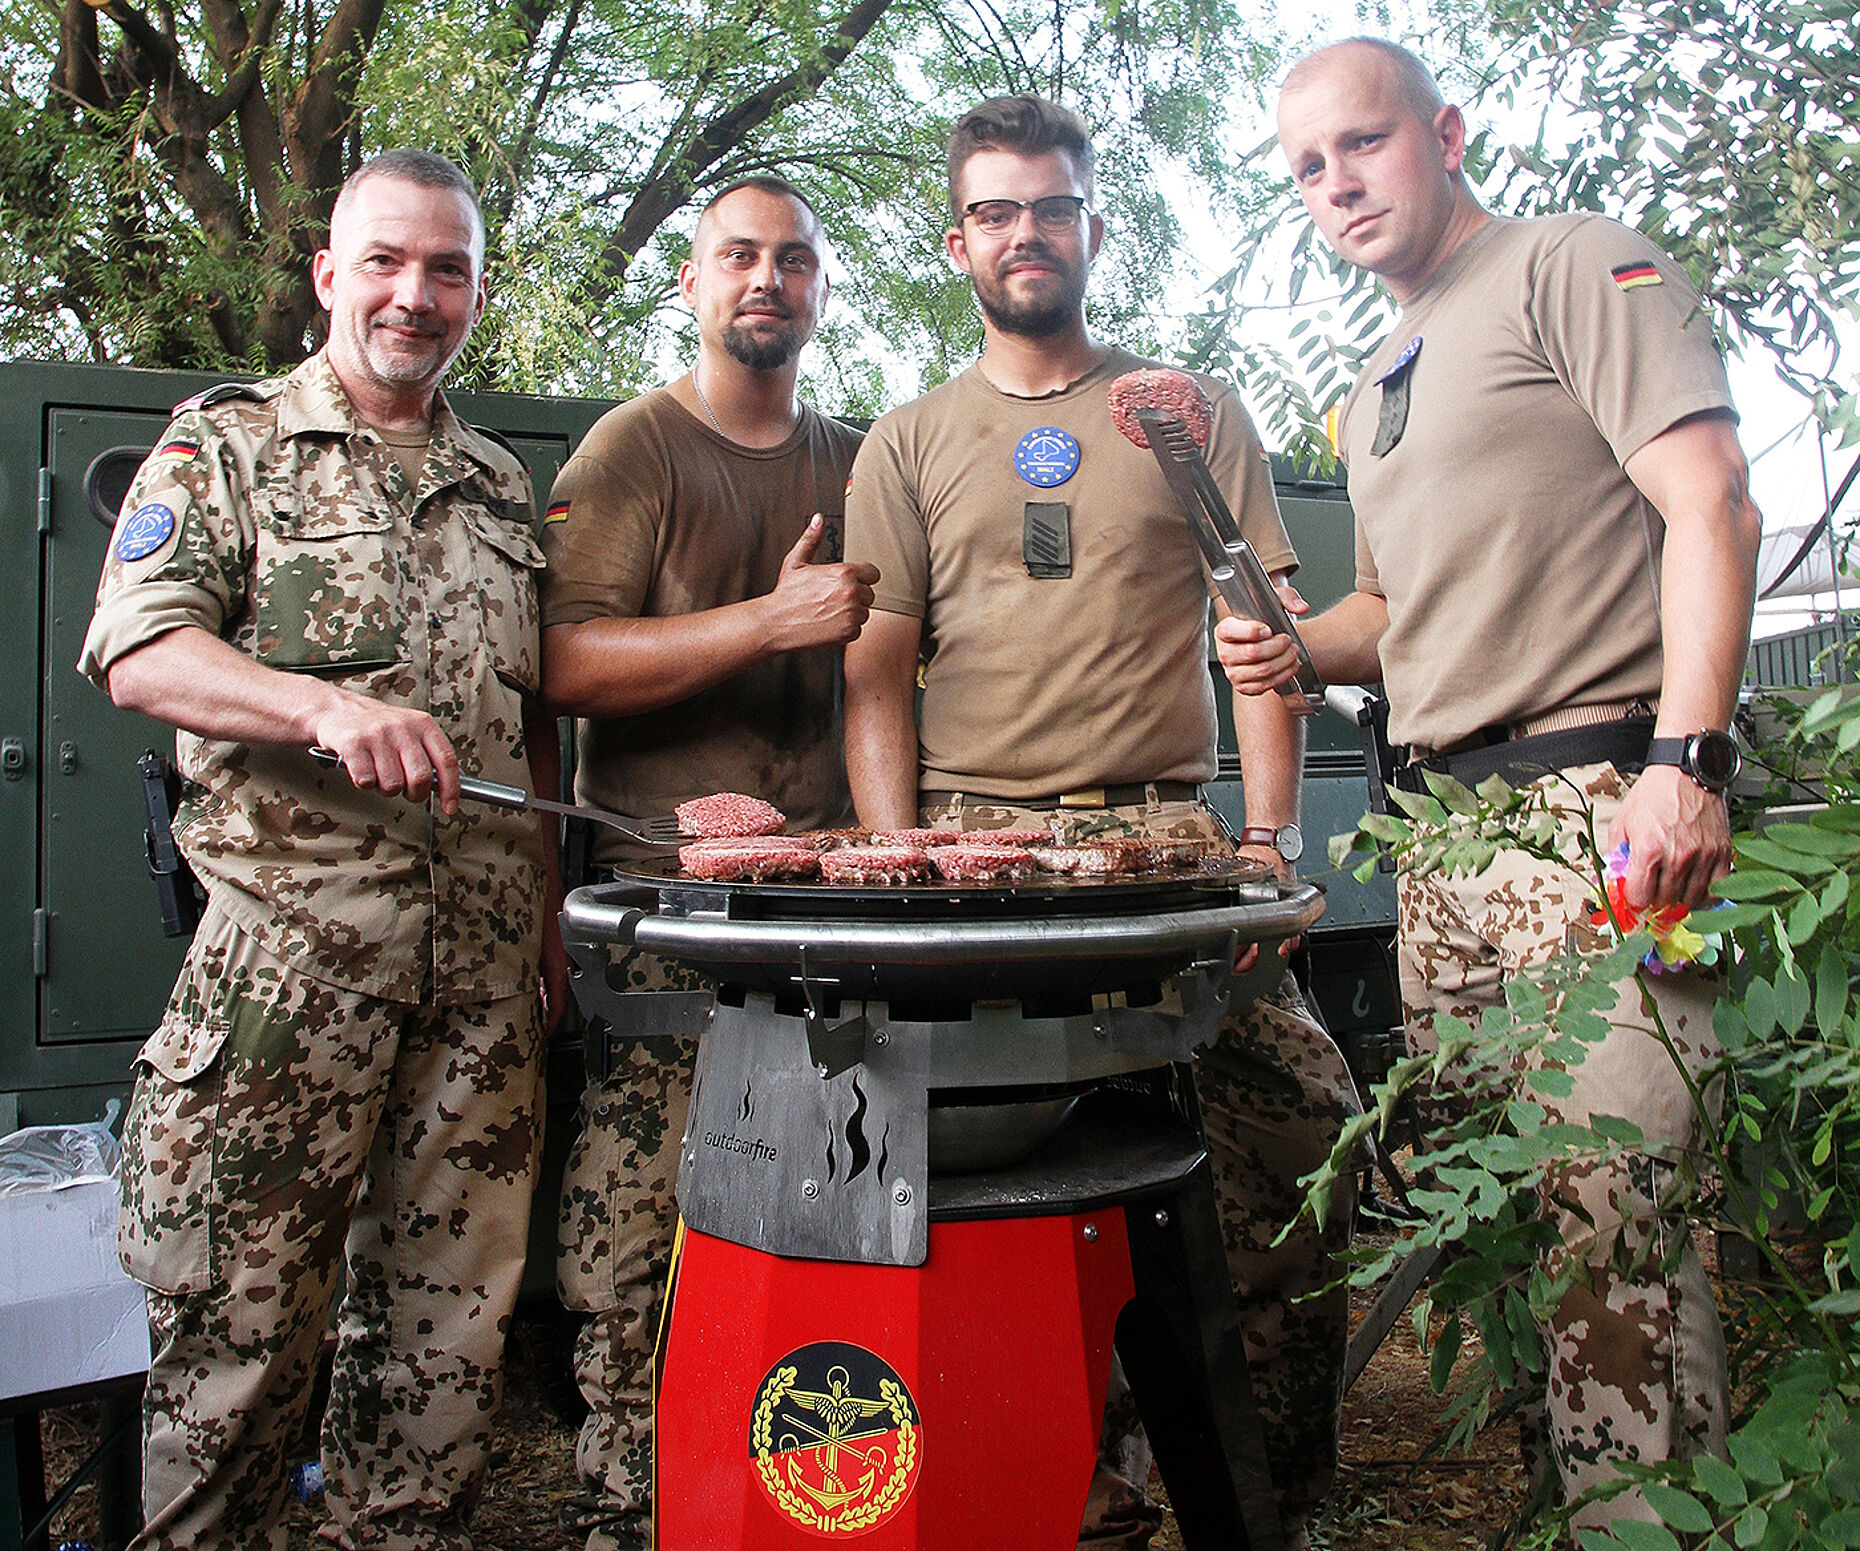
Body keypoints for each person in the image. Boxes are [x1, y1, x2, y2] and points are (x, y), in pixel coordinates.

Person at [1224, 37, 1763, 1530]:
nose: (1338, 184)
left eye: (1365, 144)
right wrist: (1287, 642)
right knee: (1506, 1255)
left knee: (1617, 1248)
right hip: (1449, 852)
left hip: (1605, 815)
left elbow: (1711, 494)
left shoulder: (1571, 266)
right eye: (1308, 169)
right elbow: (1390, 629)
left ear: (1444, 133)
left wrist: (1689, 762)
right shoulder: (1376, 377)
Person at [841, 94, 1359, 1551]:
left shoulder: (1181, 412)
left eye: (1052, 207)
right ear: (959, 241)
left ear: (1092, 227)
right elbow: (875, 670)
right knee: (990, 1169)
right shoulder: (910, 440)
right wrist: (896, 864)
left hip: (1167, 845)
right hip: (975, 846)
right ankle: (1069, 1484)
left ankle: (1269, 1492)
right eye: (997, 211)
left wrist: (1267, 843)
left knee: (1301, 1128)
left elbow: (1260, 630)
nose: (1027, 233)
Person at [77, 150, 569, 1551]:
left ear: (477, 289)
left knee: (440, 1378)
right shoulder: (223, 446)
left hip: (477, 1009)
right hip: (283, 993)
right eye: (388, 263)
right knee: (233, 1366)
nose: (416, 297)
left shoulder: (495, 486)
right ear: (328, 276)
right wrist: (319, 704)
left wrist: (546, 950)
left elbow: (530, 730)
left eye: (449, 269)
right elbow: (138, 649)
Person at [539, 175, 873, 1551]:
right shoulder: (635, 451)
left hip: (831, 921)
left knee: (836, 1221)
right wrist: (769, 618)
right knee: (634, 1246)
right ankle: (633, 1506)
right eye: (739, 255)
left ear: (819, 293)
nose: (767, 281)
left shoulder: (858, 461)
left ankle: (807, 1503)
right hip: (665, 928)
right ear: (691, 281)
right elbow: (562, 663)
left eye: (795, 261)